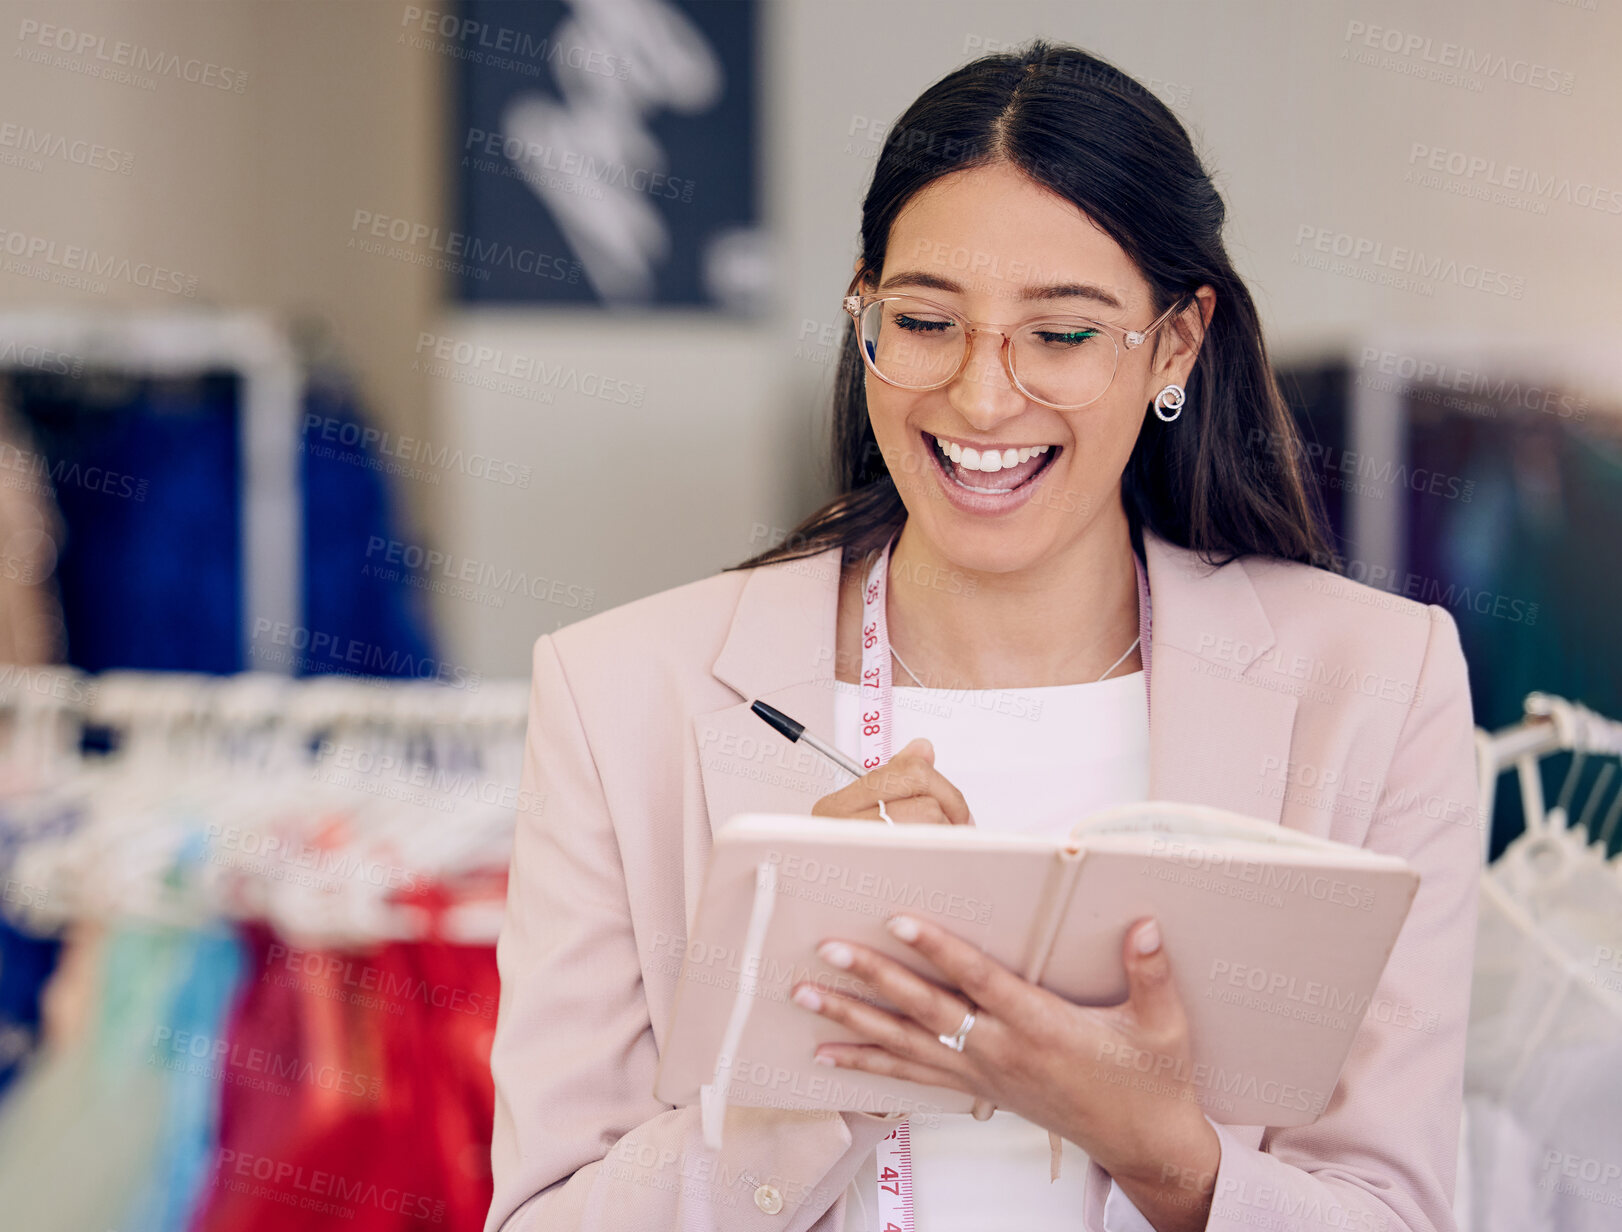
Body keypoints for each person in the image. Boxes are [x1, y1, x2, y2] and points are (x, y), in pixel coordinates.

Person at [484, 39, 1480, 1232]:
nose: (980, 396)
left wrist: (1161, 1151)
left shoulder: (1374, 683)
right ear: (864, 315)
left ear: (1173, 342)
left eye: (1059, 334)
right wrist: (819, 1057)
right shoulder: (616, 693)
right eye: (924, 321)